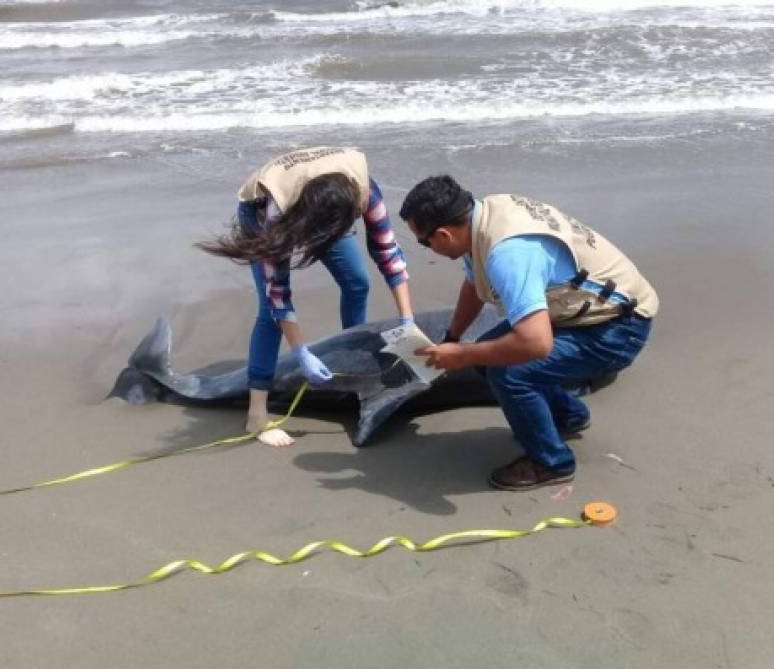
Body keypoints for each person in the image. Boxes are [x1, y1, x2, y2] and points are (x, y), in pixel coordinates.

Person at [399, 176, 658, 490]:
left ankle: (552, 463)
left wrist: (463, 355)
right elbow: (474, 283)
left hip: (618, 329)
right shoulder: (484, 218)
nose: (426, 248)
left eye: (424, 242)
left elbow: (535, 343)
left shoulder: (507, 255)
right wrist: (453, 336)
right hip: (586, 309)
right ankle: (568, 415)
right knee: (489, 354)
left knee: (510, 374)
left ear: (444, 233)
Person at [198, 147, 413, 446]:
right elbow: (278, 294)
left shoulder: (365, 192)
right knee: (269, 314)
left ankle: (351, 368)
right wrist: (300, 351)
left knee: (357, 283)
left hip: (327, 206)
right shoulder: (276, 213)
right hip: (266, 210)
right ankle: (256, 415)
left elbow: (388, 253)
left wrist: (407, 319)